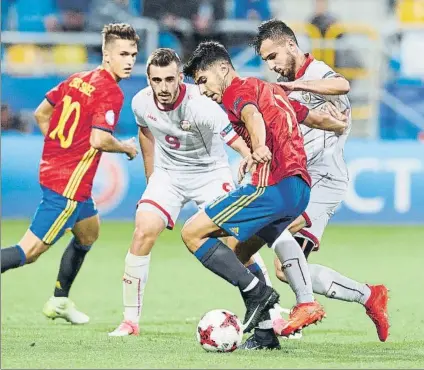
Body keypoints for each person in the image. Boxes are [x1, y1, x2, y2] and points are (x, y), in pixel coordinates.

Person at [235, 19, 389, 349]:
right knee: (270, 262)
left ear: (291, 45)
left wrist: (297, 86)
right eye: (266, 61)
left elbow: (343, 85)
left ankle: (301, 306)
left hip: (325, 180)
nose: (272, 65)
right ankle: (369, 295)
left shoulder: (317, 72)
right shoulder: (285, 85)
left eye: (273, 56)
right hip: (302, 179)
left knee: (275, 231)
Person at [181, 40, 330, 336]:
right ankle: (265, 333)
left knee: (192, 233)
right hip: (298, 189)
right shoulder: (271, 89)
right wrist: (336, 125)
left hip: (272, 186)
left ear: (223, 68)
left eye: (203, 79)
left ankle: (258, 295)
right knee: (238, 250)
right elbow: (312, 117)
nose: (202, 89)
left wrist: (259, 146)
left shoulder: (237, 89)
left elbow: (251, 116)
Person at [1, 23, 140, 326]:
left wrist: (59, 149)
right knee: (29, 251)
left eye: (133, 54)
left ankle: (60, 300)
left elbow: (41, 113)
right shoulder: (111, 92)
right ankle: (59, 299)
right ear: (106, 54)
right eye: (122, 53)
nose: (129, 60)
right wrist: (127, 148)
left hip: (65, 177)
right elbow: (100, 140)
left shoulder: (77, 79)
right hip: (67, 186)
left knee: (89, 232)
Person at [108, 48, 254, 336]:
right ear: (148, 79)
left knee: (236, 240)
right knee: (143, 230)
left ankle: (267, 309)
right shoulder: (140, 102)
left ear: (180, 79)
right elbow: (145, 132)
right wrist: (151, 178)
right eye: (156, 80)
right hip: (169, 175)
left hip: (210, 173)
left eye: (169, 79)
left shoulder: (201, 104)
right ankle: (130, 321)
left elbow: (235, 139)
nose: (163, 87)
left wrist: (250, 156)